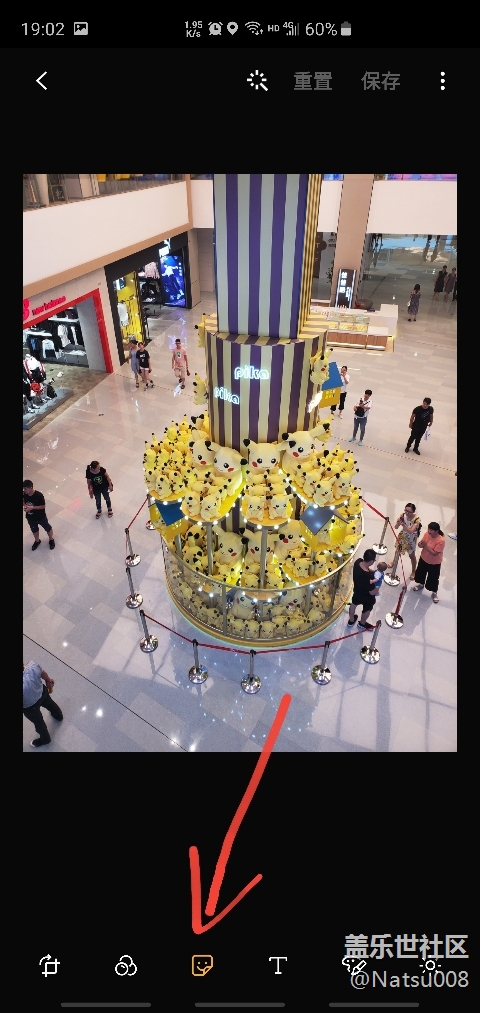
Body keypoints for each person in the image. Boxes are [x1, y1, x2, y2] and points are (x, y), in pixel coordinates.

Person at [23, 660, 63, 747]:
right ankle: (58, 716)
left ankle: (45, 739)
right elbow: (43, 674)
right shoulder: (32, 666)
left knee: (38, 722)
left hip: (30, 707)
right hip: (42, 692)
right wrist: (48, 680)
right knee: (50, 704)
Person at [413, 521, 445, 603]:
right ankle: (421, 584)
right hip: (424, 558)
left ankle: (434, 593)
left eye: (431, 530)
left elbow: (434, 553)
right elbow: (421, 544)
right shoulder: (427, 534)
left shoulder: (441, 540)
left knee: (433, 577)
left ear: (437, 531)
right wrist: (420, 544)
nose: (429, 531)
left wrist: (426, 546)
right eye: (429, 529)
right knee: (421, 572)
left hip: (434, 562)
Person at [387, 503, 422, 579]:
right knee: (397, 550)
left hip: (411, 539)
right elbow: (396, 527)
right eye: (406, 510)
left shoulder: (416, 520)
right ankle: (394, 561)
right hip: (403, 536)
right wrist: (398, 522)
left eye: (409, 512)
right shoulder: (403, 515)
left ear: (413, 512)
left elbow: (411, 531)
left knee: (411, 555)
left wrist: (403, 524)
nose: (407, 513)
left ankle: (413, 571)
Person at [348, 547, 378, 630]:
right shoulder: (368, 578)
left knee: (353, 604)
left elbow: (366, 569)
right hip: (367, 597)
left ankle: (351, 620)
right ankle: (362, 623)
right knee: (367, 609)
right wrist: (378, 587)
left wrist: (373, 572)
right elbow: (372, 592)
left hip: (357, 592)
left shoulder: (358, 562)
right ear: (371, 561)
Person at [23, 480, 55, 550]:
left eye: (25, 489)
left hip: (41, 517)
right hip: (30, 517)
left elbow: (43, 506)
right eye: (23, 488)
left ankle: (51, 539)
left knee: (47, 528)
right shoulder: (24, 494)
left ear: (31, 488)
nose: (24, 490)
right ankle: (37, 541)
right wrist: (25, 505)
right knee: (34, 530)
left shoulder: (39, 495)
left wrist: (32, 507)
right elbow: (23, 501)